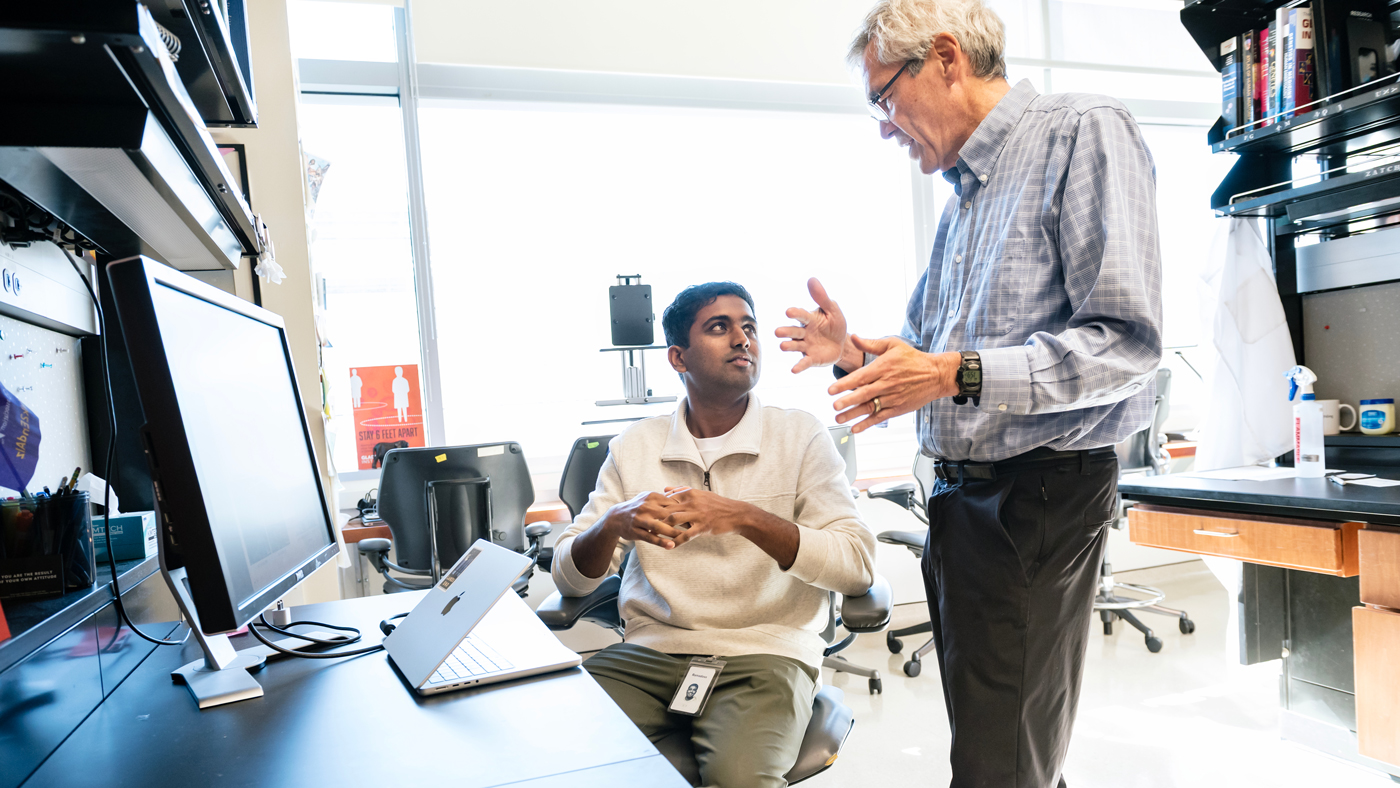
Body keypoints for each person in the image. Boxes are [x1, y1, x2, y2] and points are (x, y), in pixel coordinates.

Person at [777, 1, 1163, 786]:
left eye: (884, 97)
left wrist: (954, 372)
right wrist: (853, 355)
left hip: (1037, 498)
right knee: (1000, 744)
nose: (884, 126)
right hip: (962, 505)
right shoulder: (966, 200)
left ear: (946, 58)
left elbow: (1128, 342)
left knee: (1001, 762)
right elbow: (931, 359)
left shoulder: (1080, 131)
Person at [553, 282, 876, 788]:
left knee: (739, 779)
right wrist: (613, 523)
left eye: (748, 327)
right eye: (719, 327)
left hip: (767, 653)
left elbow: (857, 566)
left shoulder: (800, 436)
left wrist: (745, 517)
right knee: (556, 761)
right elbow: (570, 579)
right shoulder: (635, 447)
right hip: (650, 652)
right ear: (678, 357)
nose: (742, 339)